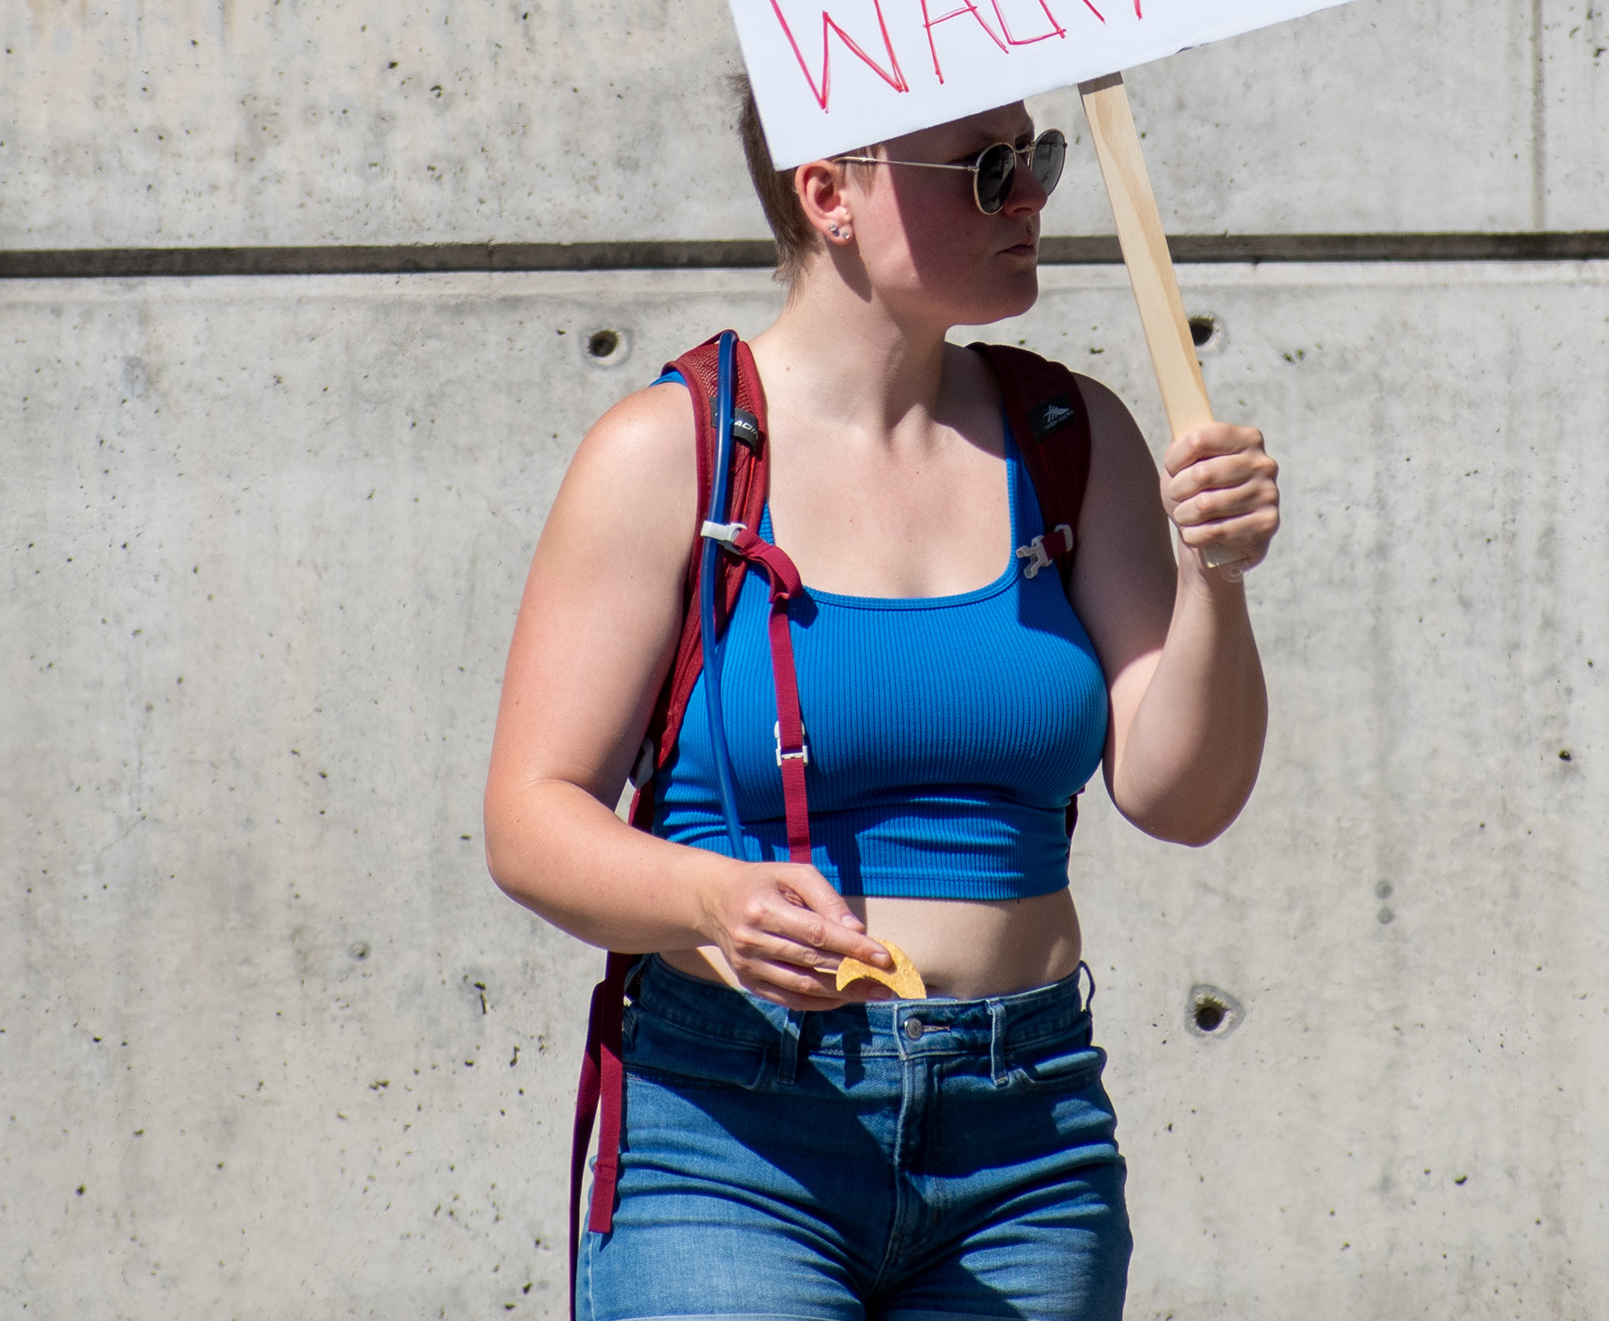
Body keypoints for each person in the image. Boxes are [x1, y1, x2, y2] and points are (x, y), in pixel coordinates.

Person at [485, 88, 1282, 1321]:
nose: (1028, 196)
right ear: (828, 192)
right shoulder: (676, 452)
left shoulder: (1070, 437)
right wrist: (711, 896)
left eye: (1035, 158)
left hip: (1028, 1141)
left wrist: (1214, 576)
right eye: (983, 169)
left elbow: (1186, 796)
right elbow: (530, 818)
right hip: (736, 1133)